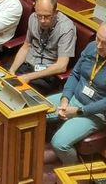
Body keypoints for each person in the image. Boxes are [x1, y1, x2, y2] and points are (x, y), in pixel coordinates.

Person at [47, 22, 106, 165]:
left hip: (95, 112)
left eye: (105, 43)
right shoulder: (92, 47)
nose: (98, 46)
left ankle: (71, 173)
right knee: (34, 111)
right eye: (97, 39)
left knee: (59, 143)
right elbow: (75, 75)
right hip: (73, 99)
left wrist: (79, 111)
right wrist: (65, 99)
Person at [9, 0, 77, 94]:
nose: (42, 20)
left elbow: (61, 66)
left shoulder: (67, 28)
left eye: (47, 16)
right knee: (0, 82)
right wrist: (11, 71)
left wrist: (29, 77)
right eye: (39, 16)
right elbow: (26, 46)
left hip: (45, 75)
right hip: (26, 66)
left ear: (56, 13)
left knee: (18, 95)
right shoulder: (33, 17)